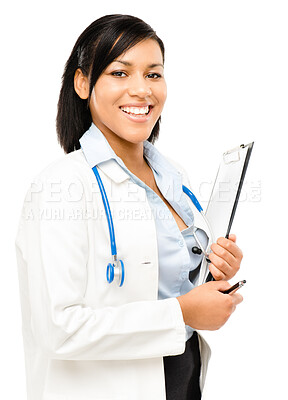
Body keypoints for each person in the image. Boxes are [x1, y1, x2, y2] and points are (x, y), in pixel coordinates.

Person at [15, 14, 243, 400]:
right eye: (120, 73)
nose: (141, 90)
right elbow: (59, 328)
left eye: (153, 74)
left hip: (181, 379)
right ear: (83, 83)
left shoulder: (174, 176)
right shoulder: (60, 186)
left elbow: (167, 279)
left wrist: (214, 270)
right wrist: (183, 313)